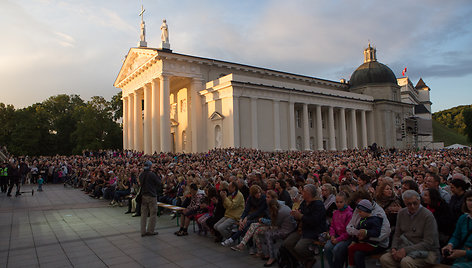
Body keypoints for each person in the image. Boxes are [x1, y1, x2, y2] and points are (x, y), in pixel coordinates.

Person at [380, 190, 440, 268]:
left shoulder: (427, 216)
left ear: (419, 201)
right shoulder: (402, 213)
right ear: (405, 203)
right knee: (385, 259)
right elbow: (397, 234)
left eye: (415, 203)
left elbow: (428, 243)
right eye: (409, 204)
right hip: (404, 246)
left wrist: (406, 250)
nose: (412, 206)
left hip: (425, 251)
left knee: (406, 262)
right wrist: (394, 248)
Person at [283, 184, 327, 268]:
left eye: (303, 191)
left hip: (314, 231)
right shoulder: (304, 202)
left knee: (299, 248)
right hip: (303, 228)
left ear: (308, 193)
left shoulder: (318, 205)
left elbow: (314, 221)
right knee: (287, 243)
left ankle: (309, 258)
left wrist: (300, 216)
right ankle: (306, 260)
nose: (301, 193)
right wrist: (296, 214)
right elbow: (301, 212)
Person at [347, 199, 383, 268]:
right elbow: (358, 230)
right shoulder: (363, 219)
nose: (359, 213)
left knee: (351, 249)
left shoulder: (375, 220)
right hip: (363, 242)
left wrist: (366, 233)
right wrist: (354, 241)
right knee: (351, 248)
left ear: (366, 211)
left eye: (360, 212)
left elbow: (376, 232)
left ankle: (351, 265)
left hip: (371, 244)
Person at [441, 190, 472, 267]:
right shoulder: (463, 218)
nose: (471, 203)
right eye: (469, 200)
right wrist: (450, 245)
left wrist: (465, 253)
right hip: (461, 257)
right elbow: (456, 236)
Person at [324, 191, 353, 268]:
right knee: (327, 248)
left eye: (341, 202)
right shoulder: (336, 212)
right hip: (336, 236)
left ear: (346, 202)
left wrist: (338, 239)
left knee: (337, 249)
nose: (338, 204)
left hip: (346, 238)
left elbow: (348, 232)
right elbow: (332, 226)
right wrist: (332, 235)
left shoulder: (349, 214)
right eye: (337, 202)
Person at [139, 160, 161, 237]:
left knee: (144, 214)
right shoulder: (152, 174)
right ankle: (150, 230)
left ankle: (143, 231)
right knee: (153, 213)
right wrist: (157, 174)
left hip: (143, 196)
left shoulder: (141, 175)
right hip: (151, 196)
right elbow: (159, 183)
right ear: (150, 166)